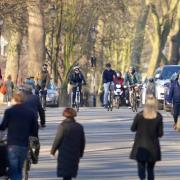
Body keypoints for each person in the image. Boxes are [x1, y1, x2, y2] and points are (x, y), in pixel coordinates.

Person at [0, 92, 38, 180]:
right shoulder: (30, 112)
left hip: (12, 145)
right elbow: (34, 130)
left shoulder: (9, 111)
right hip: (24, 145)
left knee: (14, 170)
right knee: (18, 170)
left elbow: (3, 127)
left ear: (14, 100)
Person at [130, 95, 163, 180]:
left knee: (141, 169)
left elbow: (133, 128)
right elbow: (160, 133)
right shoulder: (158, 116)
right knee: (150, 169)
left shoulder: (140, 115)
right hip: (153, 147)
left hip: (140, 146)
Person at [50, 108, 85, 180]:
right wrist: (81, 153)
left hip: (64, 153)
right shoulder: (79, 126)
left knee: (66, 174)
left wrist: (52, 151)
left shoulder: (62, 126)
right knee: (69, 174)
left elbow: (57, 139)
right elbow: (82, 141)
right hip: (75, 153)